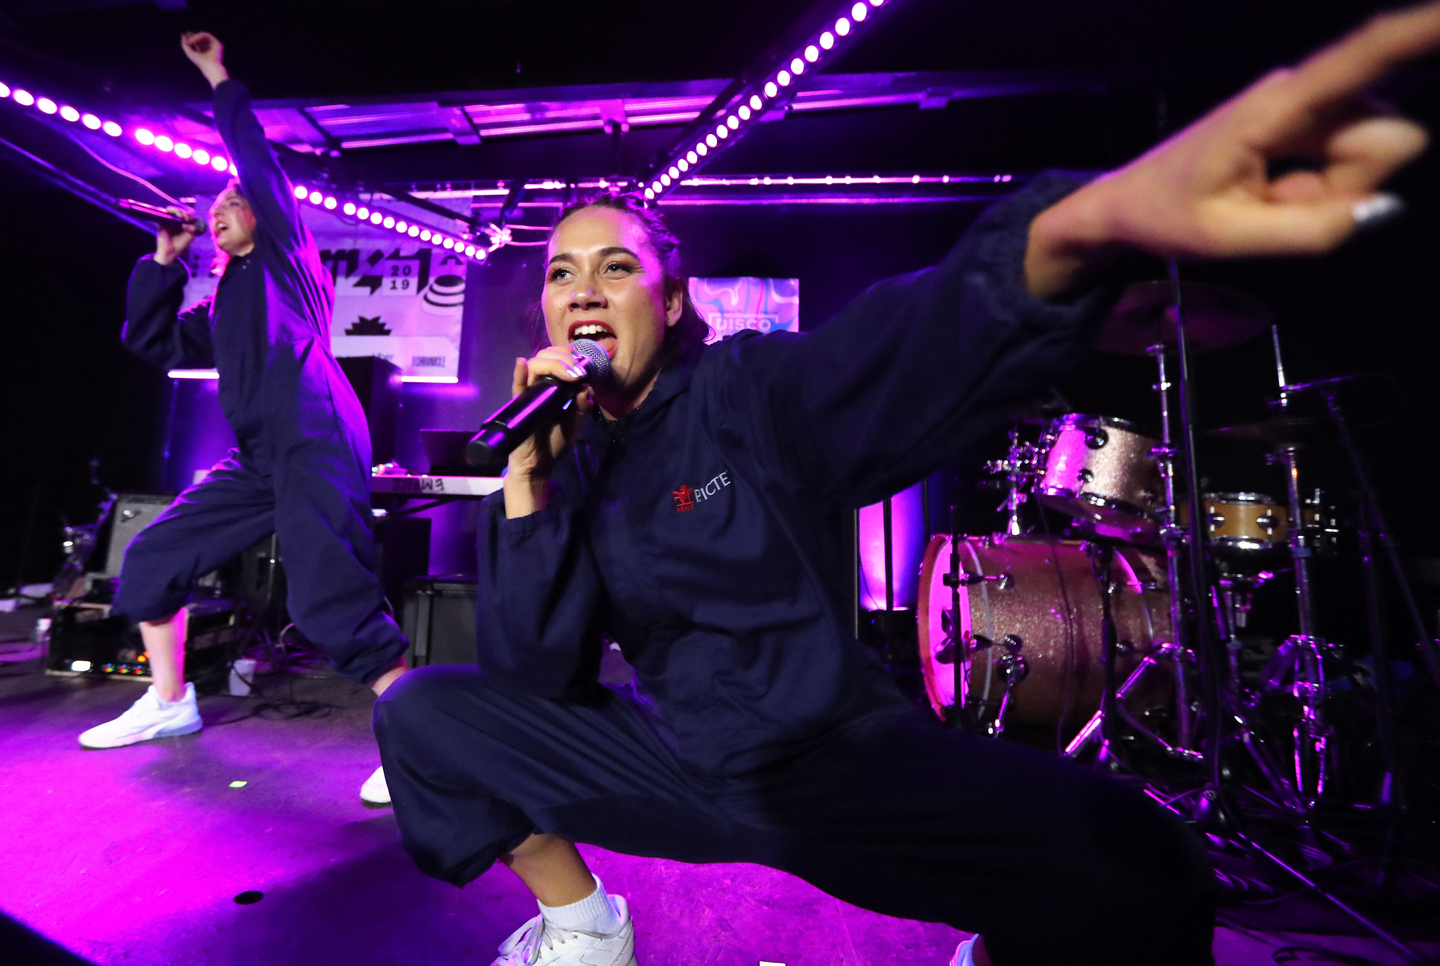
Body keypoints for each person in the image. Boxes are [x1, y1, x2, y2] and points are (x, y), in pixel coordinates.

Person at [374, 6, 1439, 965]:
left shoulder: (744, 390)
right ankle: (585, 924)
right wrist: (527, 482)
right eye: (562, 272)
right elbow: (534, 677)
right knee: (423, 710)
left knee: (1139, 862)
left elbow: (888, 347)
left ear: (674, 300)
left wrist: (1064, 236)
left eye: (616, 266)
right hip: (677, 757)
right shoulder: (566, 455)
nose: (583, 290)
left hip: (828, 765)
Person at [80, 32, 408, 806]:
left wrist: (216, 75)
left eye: (235, 202)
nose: (221, 211)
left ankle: (419, 744)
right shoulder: (223, 300)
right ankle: (170, 702)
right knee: (155, 554)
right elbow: (154, 342)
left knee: (328, 598)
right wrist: (164, 262)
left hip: (315, 437)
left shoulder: (288, 261)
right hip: (260, 456)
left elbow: (255, 162)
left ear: (266, 214)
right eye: (216, 206)